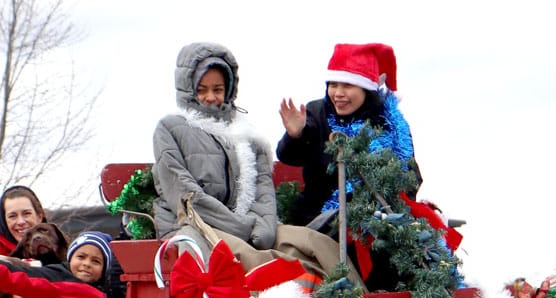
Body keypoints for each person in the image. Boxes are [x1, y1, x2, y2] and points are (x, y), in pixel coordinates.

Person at [152, 42, 277, 271]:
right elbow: (184, 192)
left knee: (308, 244)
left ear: (228, 89)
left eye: (218, 89)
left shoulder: (246, 134)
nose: (210, 97)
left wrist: (263, 229)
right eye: (201, 89)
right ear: (188, 89)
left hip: (248, 225)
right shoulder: (170, 129)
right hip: (195, 223)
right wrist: (239, 227)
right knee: (203, 250)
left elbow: (262, 189)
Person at [277, 42, 421, 231]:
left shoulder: (391, 124)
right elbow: (289, 157)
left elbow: (411, 177)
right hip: (319, 220)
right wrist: (295, 135)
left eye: (347, 85)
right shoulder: (317, 112)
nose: (338, 94)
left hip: (378, 222)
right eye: (333, 85)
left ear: (366, 89)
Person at [0, 185, 48, 256]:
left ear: (39, 217)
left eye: (26, 213)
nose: (21, 222)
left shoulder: (55, 245)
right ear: (4, 221)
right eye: (12, 216)